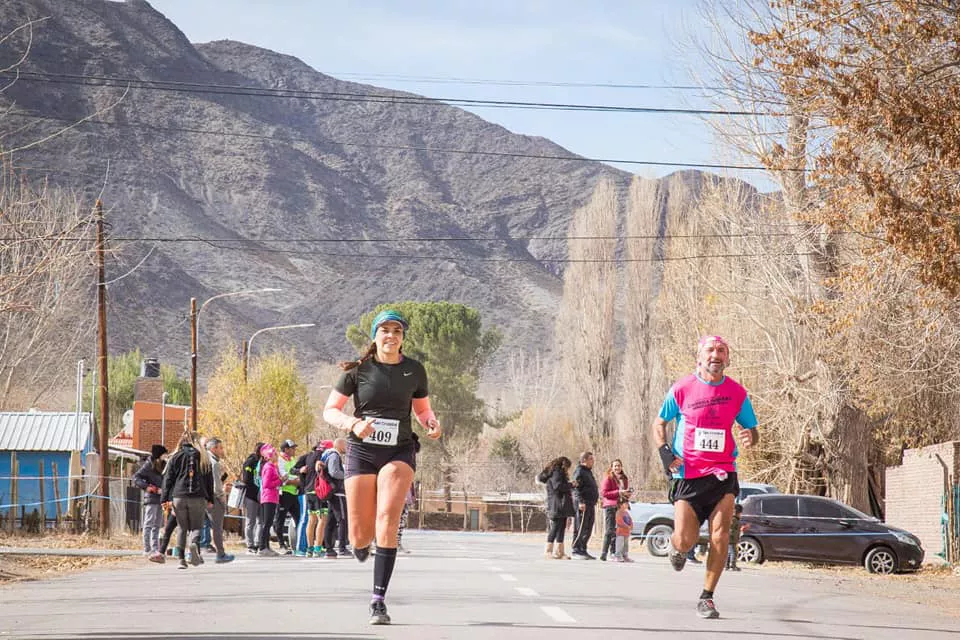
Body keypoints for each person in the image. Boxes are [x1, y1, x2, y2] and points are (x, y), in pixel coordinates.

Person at [323, 308, 442, 625]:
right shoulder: (358, 371)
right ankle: (360, 546)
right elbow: (330, 411)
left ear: (403, 338)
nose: (391, 336)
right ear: (375, 336)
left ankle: (378, 601)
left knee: (387, 520)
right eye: (385, 330)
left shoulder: (414, 371)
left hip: (399, 451)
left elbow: (422, 410)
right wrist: (352, 423)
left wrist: (430, 422)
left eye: (397, 331)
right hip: (362, 451)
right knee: (359, 534)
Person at [652, 335, 759, 619]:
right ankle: (677, 548)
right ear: (699, 357)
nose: (716, 354)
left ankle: (707, 597)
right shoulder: (682, 388)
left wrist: (751, 436)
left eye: (722, 350)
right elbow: (659, 423)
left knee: (721, 535)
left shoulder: (737, 392)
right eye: (710, 350)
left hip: (724, 474)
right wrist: (664, 452)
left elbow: (752, 428)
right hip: (688, 474)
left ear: (728, 358)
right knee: (686, 540)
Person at [161, 432, 214, 570]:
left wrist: (165, 498)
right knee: (197, 527)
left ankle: (181, 560)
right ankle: (194, 547)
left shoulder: (176, 457)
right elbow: (210, 480)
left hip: (179, 496)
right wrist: (210, 498)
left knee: (182, 529)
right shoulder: (203, 457)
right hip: (198, 496)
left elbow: (168, 480)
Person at [133, 444, 167, 562]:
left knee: (157, 525)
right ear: (158, 455)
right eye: (163, 454)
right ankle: (147, 548)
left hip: (160, 499)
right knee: (149, 523)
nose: (165, 456)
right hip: (151, 498)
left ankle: (155, 549)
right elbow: (136, 478)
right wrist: (148, 487)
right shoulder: (148, 465)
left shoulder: (163, 465)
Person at [537, 456, 575, 560]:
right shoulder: (556, 472)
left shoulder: (557, 472)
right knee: (555, 527)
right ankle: (548, 550)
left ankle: (560, 551)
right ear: (563, 465)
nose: (567, 469)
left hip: (560, 503)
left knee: (561, 527)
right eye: (567, 467)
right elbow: (557, 486)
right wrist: (570, 485)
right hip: (556, 503)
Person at [295, 440, 328, 558]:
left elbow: (292, 470)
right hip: (320, 491)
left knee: (311, 520)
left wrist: (300, 471)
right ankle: (317, 548)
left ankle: (309, 549)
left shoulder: (306, 456)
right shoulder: (325, 456)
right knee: (322, 520)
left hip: (307, 491)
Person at [205, 438, 235, 564]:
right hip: (213, 498)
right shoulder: (214, 463)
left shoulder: (203, 460)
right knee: (217, 527)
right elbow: (216, 486)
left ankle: (190, 553)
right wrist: (222, 496)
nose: (222, 450)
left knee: (197, 526)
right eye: (220, 448)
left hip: (201, 497)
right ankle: (220, 554)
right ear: (213, 448)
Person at [322, 438, 350, 558]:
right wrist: (347, 475)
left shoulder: (328, 455)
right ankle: (342, 548)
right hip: (337, 493)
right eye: (345, 445)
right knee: (343, 520)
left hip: (332, 493)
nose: (346, 448)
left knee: (331, 522)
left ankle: (329, 549)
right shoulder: (334, 455)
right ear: (339, 445)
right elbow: (334, 472)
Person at [599, 459, 632, 561]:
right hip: (610, 506)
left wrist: (627, 495)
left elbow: (624, 493)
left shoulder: (624, 479)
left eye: (619, 466)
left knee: (618, 531)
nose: (617, 468)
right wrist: (618, 492)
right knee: (610, 530)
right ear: (611, 468)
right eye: (615, 466)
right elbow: (604, 493)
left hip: (620, 508)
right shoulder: (608, 478)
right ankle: (604, 553)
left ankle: (616, 553)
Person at [570, 451, 598, 560]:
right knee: (581, 527)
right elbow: (575, 489)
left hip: (591, 504)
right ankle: (576, 549)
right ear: (584, 460)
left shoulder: (588, 472)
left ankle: (583, 548)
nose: (593, 461)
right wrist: (581, 501)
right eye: (591, 459)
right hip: (583, 504)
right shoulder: (579, 471)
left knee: (588, 527)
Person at [275, 439, 301, 555]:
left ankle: (300, 544)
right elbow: (282, 475)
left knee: (299, 519)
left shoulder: (293, 459)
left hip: (294, 493)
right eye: (292, 448)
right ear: (286, 449)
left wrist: (298, 480)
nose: (294, 450)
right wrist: (293, 480)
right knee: (280, 520)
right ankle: (281, 544)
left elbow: (295, 473)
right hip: (284, 493)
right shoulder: (280, 459)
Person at [257, 444, 282, 557]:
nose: (277, 456)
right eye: (275, 454)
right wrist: (279, 481)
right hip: (268, 497)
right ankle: (262, 547)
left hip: (272, 497)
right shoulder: (268, 467)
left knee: (268, 523)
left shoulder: (273, 467)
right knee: (266, 523)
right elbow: (266, 484)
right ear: (270, 456)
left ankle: (266, 546)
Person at [240, 442, 264, 554]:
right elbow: (246, 479)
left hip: (262, 495)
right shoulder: (251, 461)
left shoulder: (264, 462)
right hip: (251, 495)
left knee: (261, 521)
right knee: (251, 521)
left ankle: (258, 542)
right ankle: (249, 545)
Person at [396, 481, 415, 554]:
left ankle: (398, 544)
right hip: (398, 501)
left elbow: (411, 486)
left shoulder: (409, 475)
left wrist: (413, 496)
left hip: (406, 502)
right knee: (396, 524)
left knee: (401, 524)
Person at [613, 497, 634, 562]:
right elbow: (620, 522)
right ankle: (618, 556)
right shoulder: (618, 512)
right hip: (620, 532)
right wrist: (627, 526)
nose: (627, 505)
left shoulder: (626, 513)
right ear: (621, 504)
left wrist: (631, 526)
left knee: (626, 545)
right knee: (619, 545)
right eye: (626, 504)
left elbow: (630, 520)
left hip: (626, 533)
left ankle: (625, 556)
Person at [726, 503, 743, 571]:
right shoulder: (733, 519)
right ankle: (732, 565)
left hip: (732, 539)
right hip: (731, 539)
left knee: (730, 552)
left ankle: (727, 565)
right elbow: (731, 530)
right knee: (733, 552)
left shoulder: (735, 519)